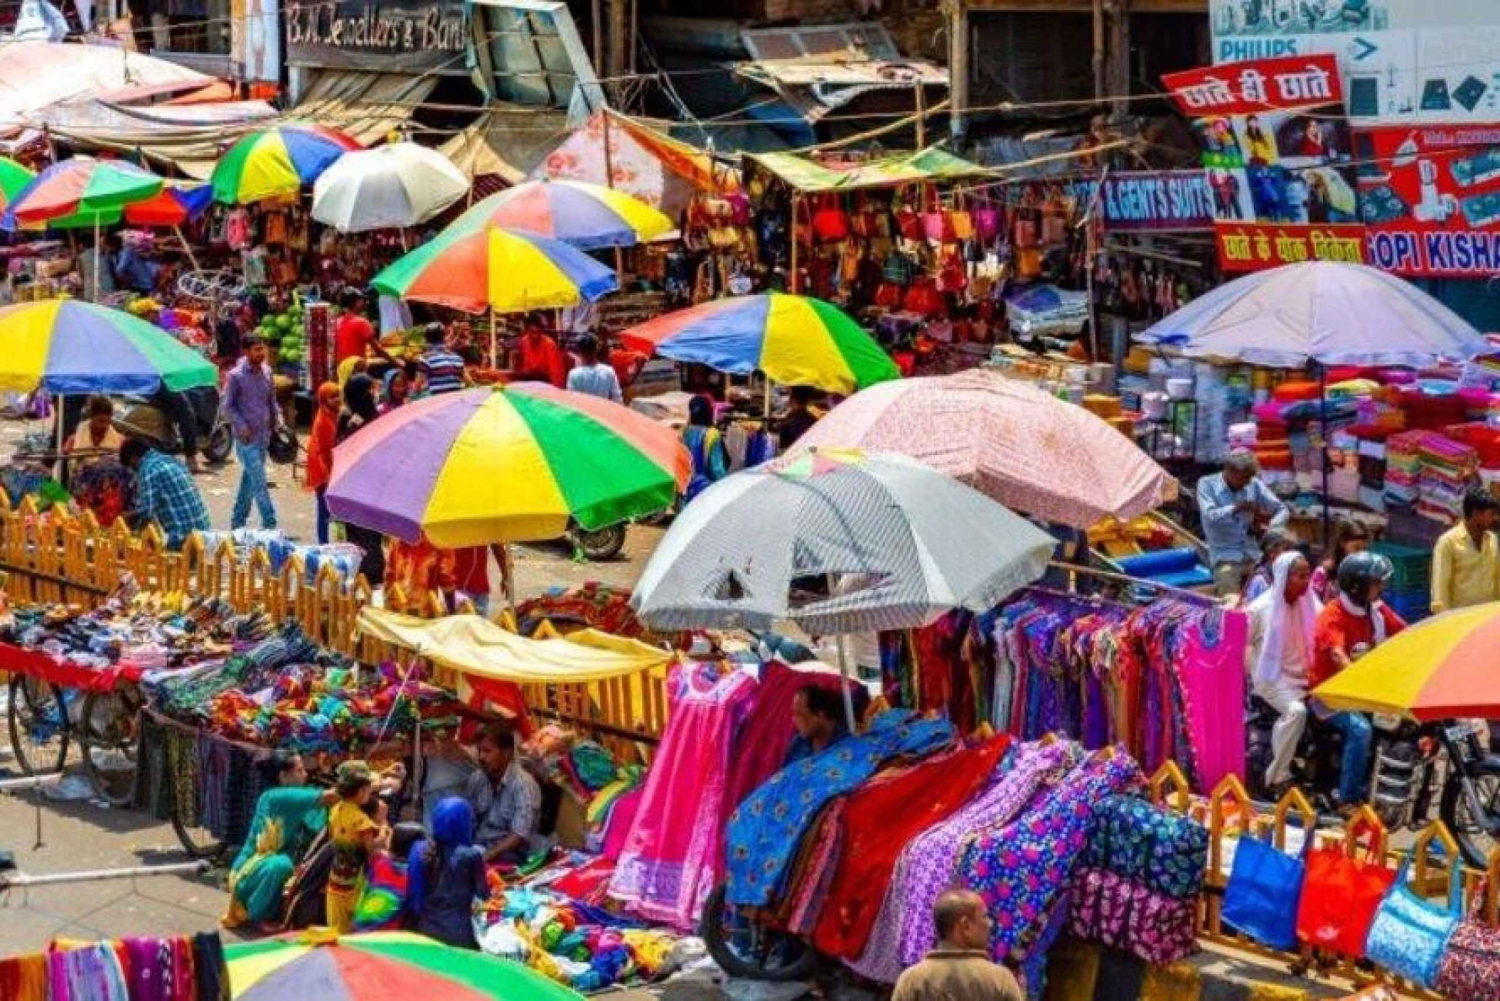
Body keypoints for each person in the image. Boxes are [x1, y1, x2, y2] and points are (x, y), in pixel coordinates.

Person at [1312, 553, 1405, 809]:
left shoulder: (1375, 609)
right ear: (1357, 587)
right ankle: (1348, 799)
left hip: (1363, 690)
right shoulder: (1333, 615)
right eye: (1376, 583)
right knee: (1361, 730)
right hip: (1328, 696)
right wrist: (1361, 682)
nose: (1381, 588)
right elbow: (1337, 654)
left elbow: (1406, 633)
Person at [223, 751, 336, 929]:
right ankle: (257, 914)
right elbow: (331, 796)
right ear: (283, 776)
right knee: (282, 864)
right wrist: (373, 783)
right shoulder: (277, 796)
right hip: (248, 874)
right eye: (299, 771)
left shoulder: (299, 797)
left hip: (271, 873)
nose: (306, 774)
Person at [1245, 551, 1321, 795]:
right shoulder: (1259, 608)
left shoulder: (1310, 603)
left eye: (1308, 575)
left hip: (1303, 677)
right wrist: (1253, 677)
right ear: (1284, 577)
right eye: (1300, 576)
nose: (1306, 581)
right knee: (1296, 712)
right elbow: (1244, 645)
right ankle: (1277, 775)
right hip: (1271, 679)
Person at [891, 889, 1023, 1001]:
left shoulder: (911, 980)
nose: (990, 924)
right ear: (965, 925)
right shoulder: (999, 980)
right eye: (985, 917)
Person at [1197, 451, 1290, 597]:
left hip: (1254, 554)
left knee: (1281, 585)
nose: (1247, 482)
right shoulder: (1206, 484)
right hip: (1225, 556)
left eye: (1249, 478)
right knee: (1230, 598)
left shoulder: (1253, 484)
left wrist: (1271, 528)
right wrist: (1237, 507)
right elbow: (1210, 516)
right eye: (1244, 478)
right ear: (1230, 471)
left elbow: (1282, 509)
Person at [407, 796, 487, 949]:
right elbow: (483, 895)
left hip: (425, 930)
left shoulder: (418, 849)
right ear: (462, 824)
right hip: (458, 935)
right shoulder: (470, 856)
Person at [464, 723, 544, 865]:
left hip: (510, 853)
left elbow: (519, 835)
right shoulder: (478, 778)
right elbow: (469, 820)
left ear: (507, 753)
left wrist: (486, 857)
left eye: (487, 751)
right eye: (479, 751)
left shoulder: (523, 784)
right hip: (480, 845)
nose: (481, 757)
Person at [222, 334, 279, 531]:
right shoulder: (235, 376)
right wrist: (241, 426)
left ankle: (237, 522)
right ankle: (270, 524)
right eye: (256, 349)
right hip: (246, 439)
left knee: (250, 481)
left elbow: (271, 401)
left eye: (262, 349)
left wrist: (276, 422)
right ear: (246, 352)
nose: (261, 353)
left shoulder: (267, 372)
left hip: (264, 436)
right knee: (260, 483)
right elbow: (227, 406)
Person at [326, 760, 390, 934]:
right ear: (361, 791)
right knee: (354, 930)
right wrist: (383, 828)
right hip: (355, 882)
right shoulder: (361, 821)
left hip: (335, 880)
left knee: (335, 930)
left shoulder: (335, 811)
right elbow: (371, 849)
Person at [336, 375, 385, 584]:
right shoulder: (351, 422)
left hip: (371, 489)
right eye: (370, 391)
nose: (374, 395)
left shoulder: (374, 417)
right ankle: (366, 578)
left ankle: (367, 577)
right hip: (358, 489)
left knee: (370, 536)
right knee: (363, 539)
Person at [120, 437, 209, 550]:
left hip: (182, 538)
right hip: (204, 533)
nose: (134, 471)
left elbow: (145, 513)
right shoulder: (170, 460)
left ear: (133, 458)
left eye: (131, 466)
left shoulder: (148, 470)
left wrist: (128, 524)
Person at [1430, 489, 1500, 615]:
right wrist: (1445, 621)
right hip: (1460, 619)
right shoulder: (1447, 542)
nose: (1494, 518)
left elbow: (1497, 579)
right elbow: (1440, 589)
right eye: (1491, 514)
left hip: (1487, 617)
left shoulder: (1492, 540)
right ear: (1476, 513)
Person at [306, 382, 341, 545]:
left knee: (330, 511)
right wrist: (326, 474)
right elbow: (318, 450)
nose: (337, 399)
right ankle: (323, 544)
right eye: (332, 397)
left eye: (338, 395)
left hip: (334, 468)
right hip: (323, 472)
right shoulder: (322, 420)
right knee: (323, 511)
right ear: (323, 399)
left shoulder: (336, 415)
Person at [785, 685, 851, 765]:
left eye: (799, 714)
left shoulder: (845, 742)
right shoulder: (798, 744)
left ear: (820, 715)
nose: (794, 720)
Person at [682, 395, 728, 504]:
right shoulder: (712, 434)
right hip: (706, 490)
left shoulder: (684, 432)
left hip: (686, 488)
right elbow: (717, 468)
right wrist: (726, 487)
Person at [1311, 518, 1370, 602]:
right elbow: (1311, 604)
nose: (1361, 554)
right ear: (1342, 543)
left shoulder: (1364, 576)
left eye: (1364, 549)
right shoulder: (1324, 572)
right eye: (1356, 548)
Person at [334, 288, 395, 367]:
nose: (365, 302)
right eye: (361, 300)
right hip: (356, 370)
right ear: (356, 302)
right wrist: (396, 362)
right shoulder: (361, 322)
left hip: (341, 369)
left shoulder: (336, 322)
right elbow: (378, 351)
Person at [1242, 526, 1298, 603]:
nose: (1291, 554)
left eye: (1293, 549)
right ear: (1271, 553)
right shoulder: (1261, 581)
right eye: (1286, 549)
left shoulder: (1290, 576)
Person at [64, 395, 123, 469]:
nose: (104, 426)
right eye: (100, 421)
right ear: (92, 417)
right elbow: (71, 458)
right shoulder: (79, 433)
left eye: (107, 421)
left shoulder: (116, 438)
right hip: (82, 474)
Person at [512, 314, 568, 388]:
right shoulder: (524, 341)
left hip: (547, 384)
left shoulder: (550, 345)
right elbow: (523, 370)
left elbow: (557, 374)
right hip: (529, 383)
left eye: (538, 332)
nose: (536, 336)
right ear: (527, 331)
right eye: (532, 332)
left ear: (541, 331)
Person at [564, 334, 623, 403]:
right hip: (603, 412)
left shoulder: (574, 374)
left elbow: (572, 400)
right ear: (596, 349)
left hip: (584, 412)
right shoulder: (608, 371)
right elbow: (617, 399)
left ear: (579, 351)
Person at [415, 323, 468, 397]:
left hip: (437, 404)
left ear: (426, 340)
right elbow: (468, 382)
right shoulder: (458, 358)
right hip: (456, 403)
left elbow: (417, 387)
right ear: (443, 337)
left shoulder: (426, 359)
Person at [776, 386, 821, 450]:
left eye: (788, 395)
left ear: (793, 400)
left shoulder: (801, 419)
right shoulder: (805, 416)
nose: (787, 400)